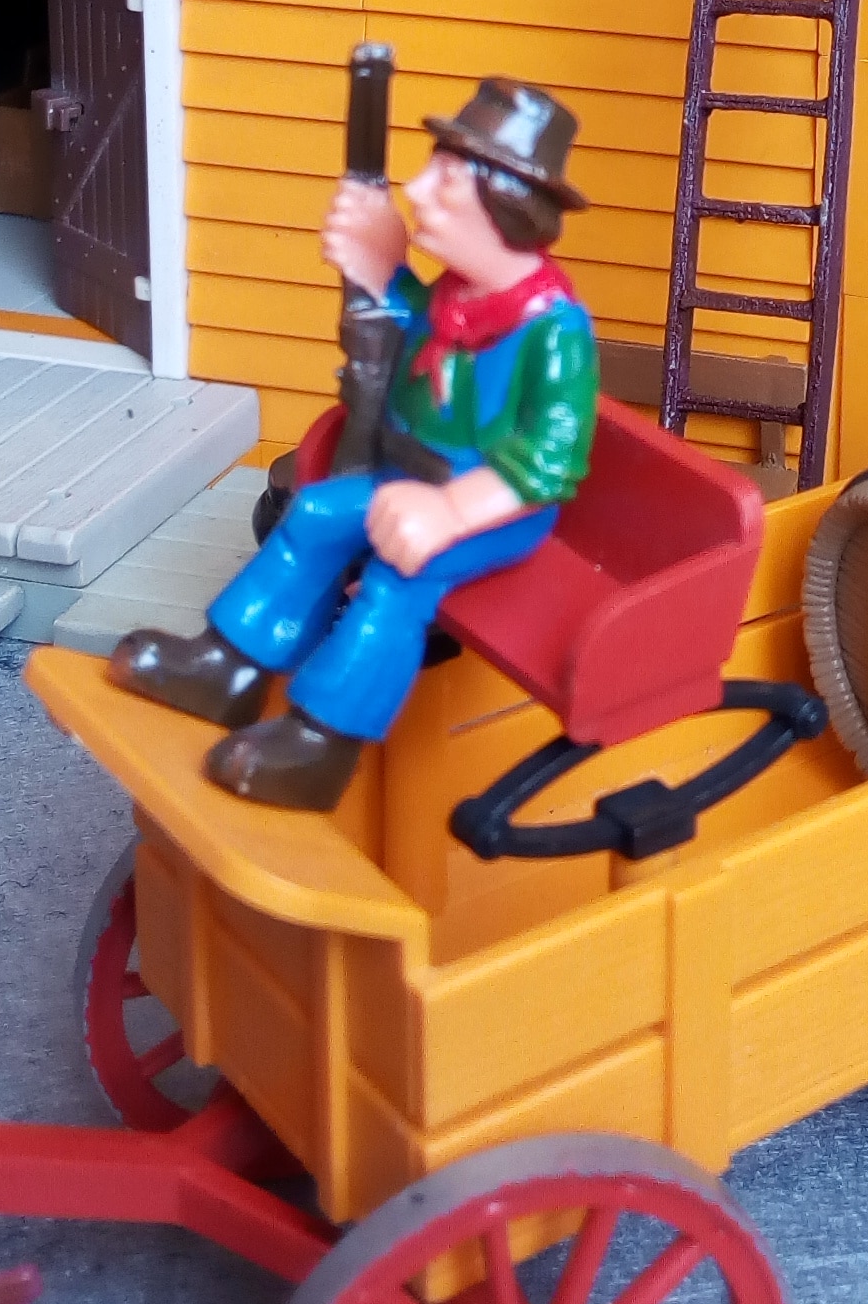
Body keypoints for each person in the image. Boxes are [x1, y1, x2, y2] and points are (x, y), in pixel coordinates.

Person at [107, 78, 599, 810]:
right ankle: (229, 670)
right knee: (312, 515)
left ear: (507, 204)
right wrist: (381, 270)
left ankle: (323, 743)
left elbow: (549, 462)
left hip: (493, 508)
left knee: (399, 577)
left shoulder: (553, 331)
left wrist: (452, 512)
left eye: (447, 180)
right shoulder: (457, 295)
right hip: (407, 480)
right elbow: (406, 332)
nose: (418, 190)